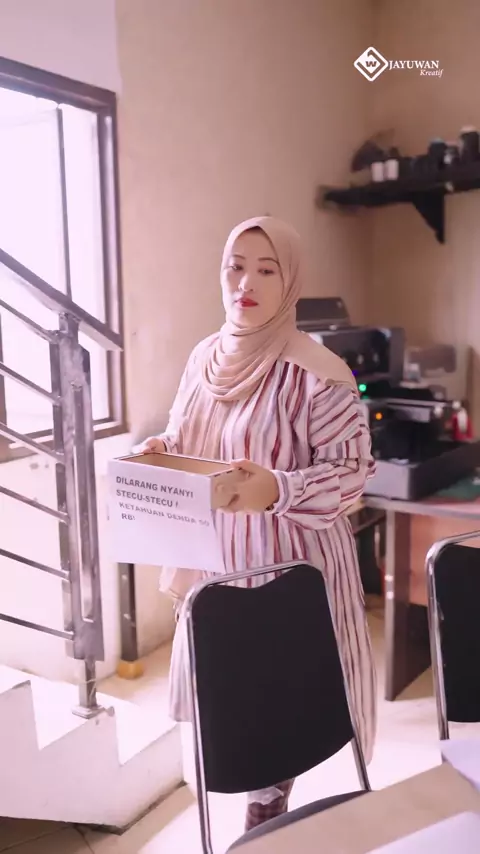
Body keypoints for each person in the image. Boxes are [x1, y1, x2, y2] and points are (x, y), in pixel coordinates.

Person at [140, 216, 377, 832]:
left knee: (285, 707)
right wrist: (162, 450)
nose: (246, 282)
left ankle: (268, 810)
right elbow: (189, 433)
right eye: (236, 266)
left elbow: (353, 474)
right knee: (235, 703)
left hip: (288, 571)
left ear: (289, 280)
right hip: (218, 564)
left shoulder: (317, 372)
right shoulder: (206, 357)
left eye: (266, 270)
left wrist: (278, 487)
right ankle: (260, 803)